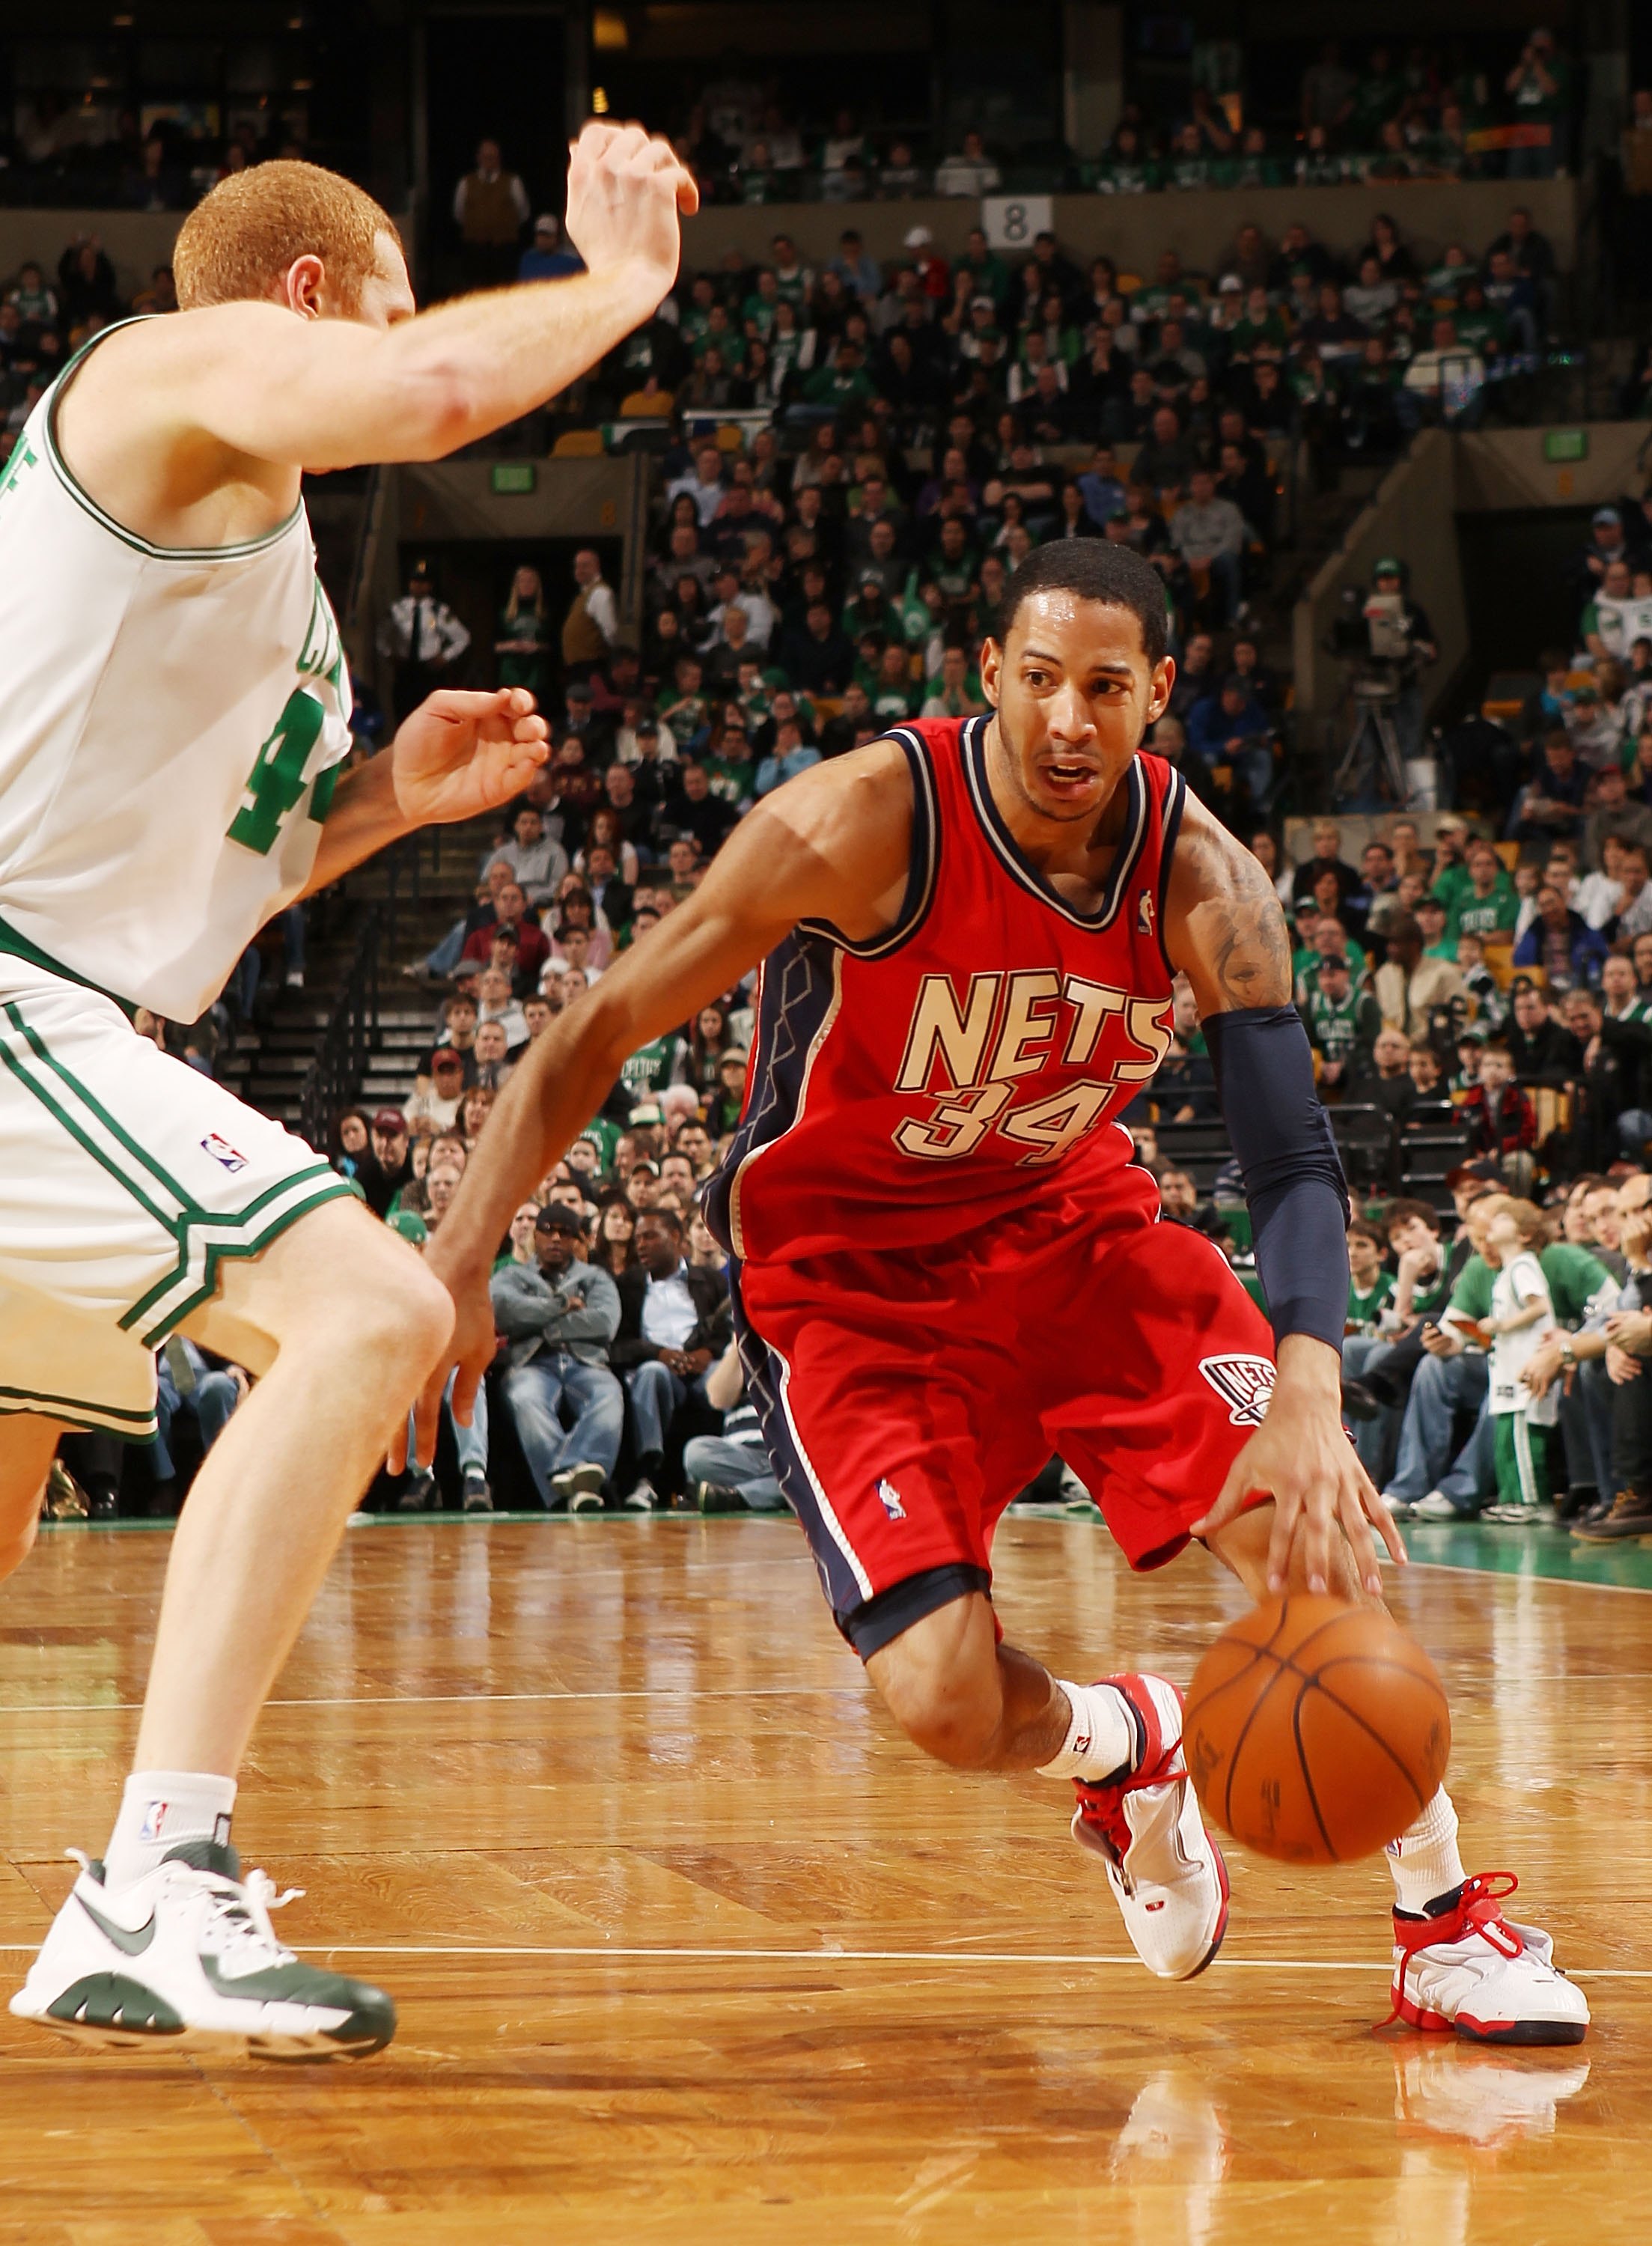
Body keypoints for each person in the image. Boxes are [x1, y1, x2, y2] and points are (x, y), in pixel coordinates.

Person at [418, 540, 1583, 2042]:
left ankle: (1443, 1926)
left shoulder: (1204, 877)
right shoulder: (849, 825)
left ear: (1156, 694)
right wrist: (456, 1258)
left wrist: (1304, 1383)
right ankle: (1118, 1746)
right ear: (988, 678)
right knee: (946, 1705)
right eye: (1037, 680)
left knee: (1312, 1528)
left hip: (1072, 1237)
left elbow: (1291, 1161)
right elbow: (592, 1032)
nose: (1066, 720)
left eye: (1103, 686)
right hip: (849, 1288)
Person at [1, 121, 698, 2057]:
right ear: (311, 296)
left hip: (73, 1010)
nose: (403, 347)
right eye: (389, 303)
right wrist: (623, 279)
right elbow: (444, 381)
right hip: (11, 1007)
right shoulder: (171, 372)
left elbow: (210, 873)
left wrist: (389, 795)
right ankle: (154, 1884)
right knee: (372, 1305)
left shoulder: (248, 547)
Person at [491, 1202, 624, 1510]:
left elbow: (605, 1323)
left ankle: (566, 1474)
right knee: (526, 1400)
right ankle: (574, 1489)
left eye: (564, 1233)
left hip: (586, 1362)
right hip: (533, 1363)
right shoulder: (512, 1275)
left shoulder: (595, 1277)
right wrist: (563, 1304)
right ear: (534, 1237)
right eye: (547, 1231)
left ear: (576, 1241)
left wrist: (543, 1326)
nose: (555, 1239)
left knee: (609, 1395)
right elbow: (502, 1309)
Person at [611, 1207, 728, 1508]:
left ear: (675, 1237)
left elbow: (729, 1329)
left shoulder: (710, 1280)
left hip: (704, 1368)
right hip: (661, 1372)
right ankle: (648, 1477)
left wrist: (707, 1353)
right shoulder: (628, 1286)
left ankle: (723, 1475)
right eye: (638, 1239)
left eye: (650, 1236)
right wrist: (659, 1353)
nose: (640, 1245)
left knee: (729, 1375)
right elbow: (619, 1344)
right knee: (651, 1373)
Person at [378, 562, 472, 722]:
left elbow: (462, 637)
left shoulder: (439, 611)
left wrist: (445, 657)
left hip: (429, 670)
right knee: (403, 714)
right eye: (415, 582)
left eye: (423, 583)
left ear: (429, 586)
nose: (418, 587)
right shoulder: (398, 609)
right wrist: (389, 654)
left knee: (432, 717)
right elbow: (381, 636)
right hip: (405, 669)